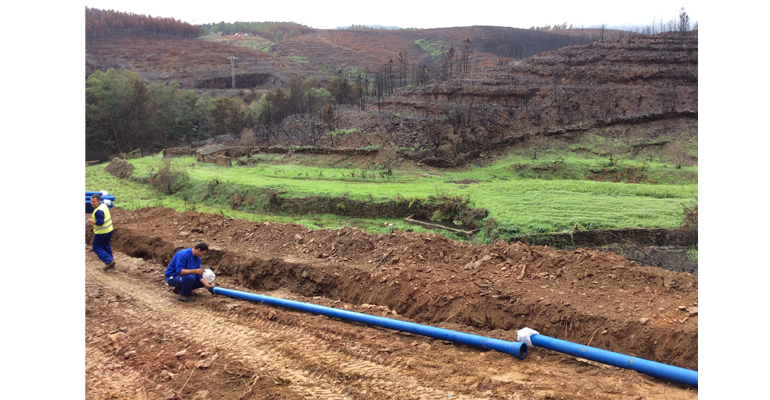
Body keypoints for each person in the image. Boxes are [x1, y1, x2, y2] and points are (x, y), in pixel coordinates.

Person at [87, 194, 115, 271]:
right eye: (91, 201)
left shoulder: (98, 211)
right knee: (106, 246)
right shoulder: (104, 206)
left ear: (99, 201)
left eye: (94, 202)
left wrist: (92, 221)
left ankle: (108, 261)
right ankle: (112, 262)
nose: (92, 203)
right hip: (109, 230)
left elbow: (100, 222)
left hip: (101, 232)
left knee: (96, 247)